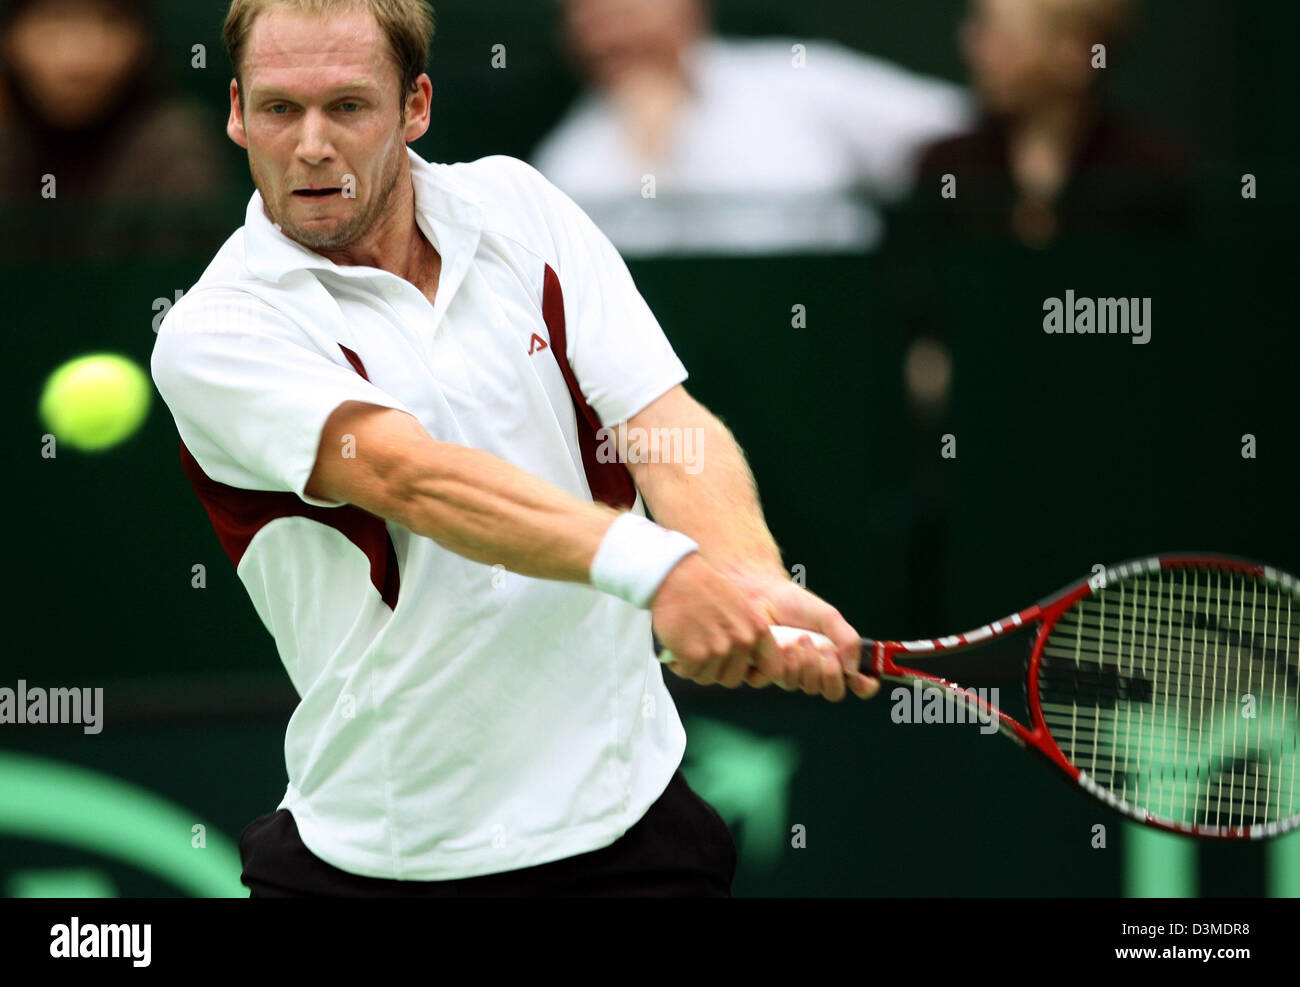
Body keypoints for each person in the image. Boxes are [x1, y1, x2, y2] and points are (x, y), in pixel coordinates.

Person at [150, 0, 880, 898]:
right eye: (278, 109)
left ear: (415, 106)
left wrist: (749, 575)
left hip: (634, 832)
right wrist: (663, 571)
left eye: (348, 106)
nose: (310, 145)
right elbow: (412, 478)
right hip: (386, 860)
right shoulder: (215, 330)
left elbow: (661, 420)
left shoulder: (520, 205)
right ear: (235, 112)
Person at [531, 0, 972, 255]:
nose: (606, 29)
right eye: (584, 14)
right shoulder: (563, 171)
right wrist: (648, 157)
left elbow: (957, 125)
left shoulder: (796, 79)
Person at [907, 0, 1191, 247]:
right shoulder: (947, 168)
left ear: (1075, 54)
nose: (973, 48)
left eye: (1001, 37)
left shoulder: (1148, 174)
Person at [0, 0, 231, 260]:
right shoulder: (8, 147)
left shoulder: (177, 150)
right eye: (54, 19)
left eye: (110, 21)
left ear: (144, 40)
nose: (78, 62)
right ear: (10, 37)